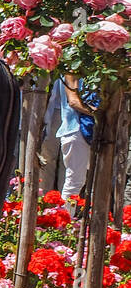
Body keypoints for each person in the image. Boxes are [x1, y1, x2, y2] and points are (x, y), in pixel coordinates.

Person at [55, 75, 94, 205]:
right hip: (75, 129)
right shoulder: (71, 70)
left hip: (89, 130)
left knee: (81, 181)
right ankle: (64, 221)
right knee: (74, 182)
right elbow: (73, 101)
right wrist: (101, 113)